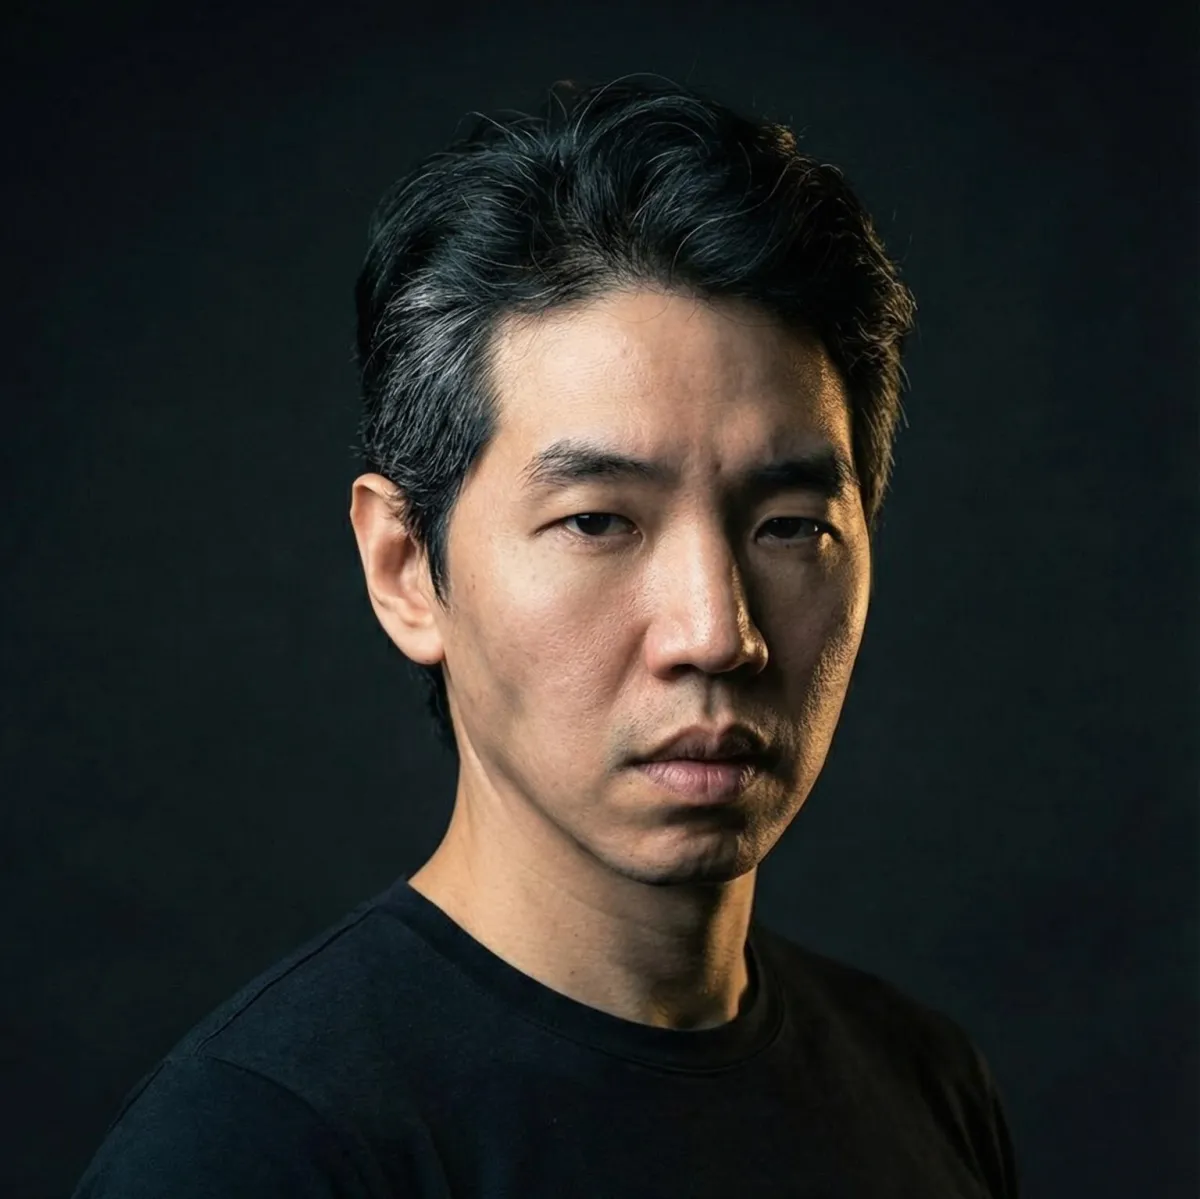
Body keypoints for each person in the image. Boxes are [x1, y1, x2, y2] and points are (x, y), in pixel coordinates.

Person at [72, 75, 1020, 1197]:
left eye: (788, 526)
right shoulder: (254, 1147)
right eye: (597, 521)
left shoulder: (924, 1083)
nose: (717, 632)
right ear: (405, 568)